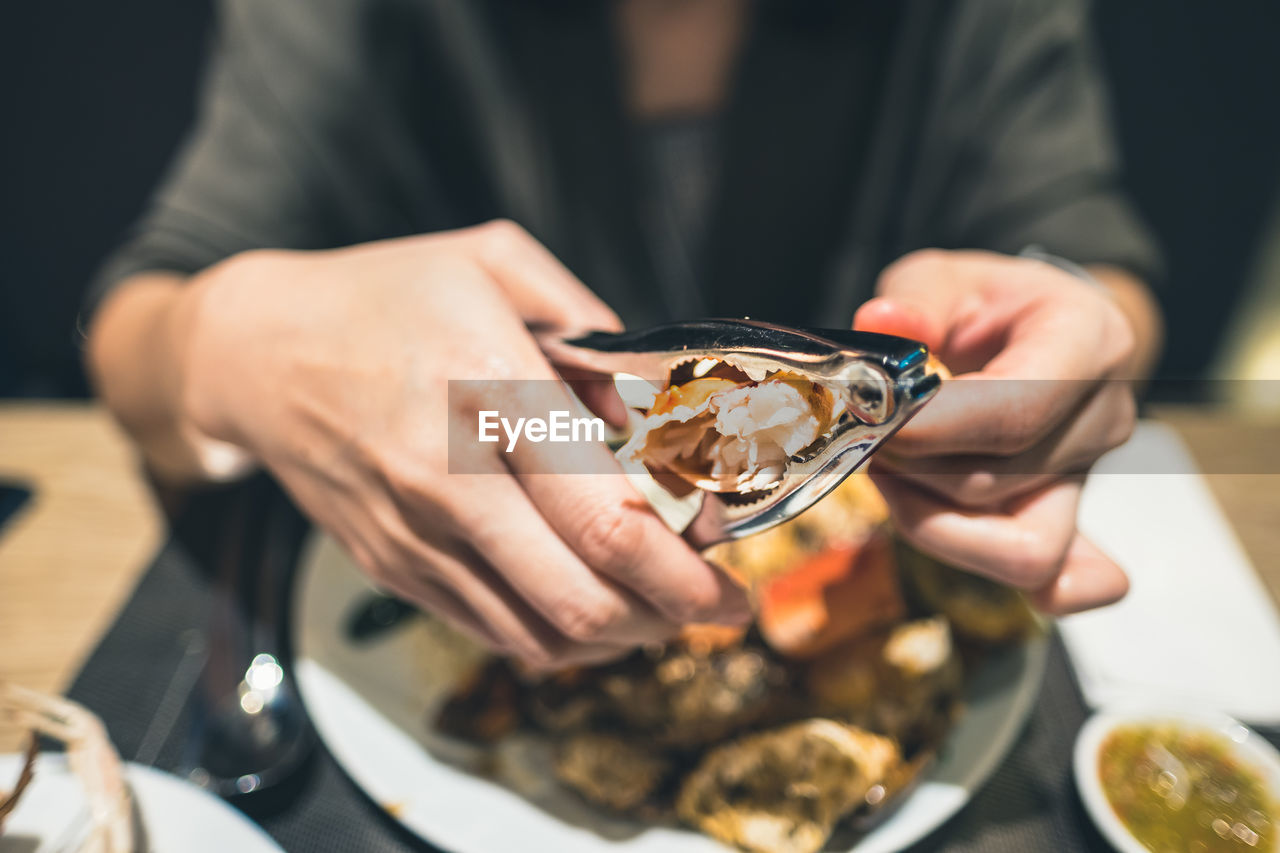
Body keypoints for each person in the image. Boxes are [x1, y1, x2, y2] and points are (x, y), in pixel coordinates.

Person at [84, 0, 1164, 670]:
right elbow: (137, 327)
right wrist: (244, 338)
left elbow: (1082, 244)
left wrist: (1060, 325)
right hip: (413, 617)